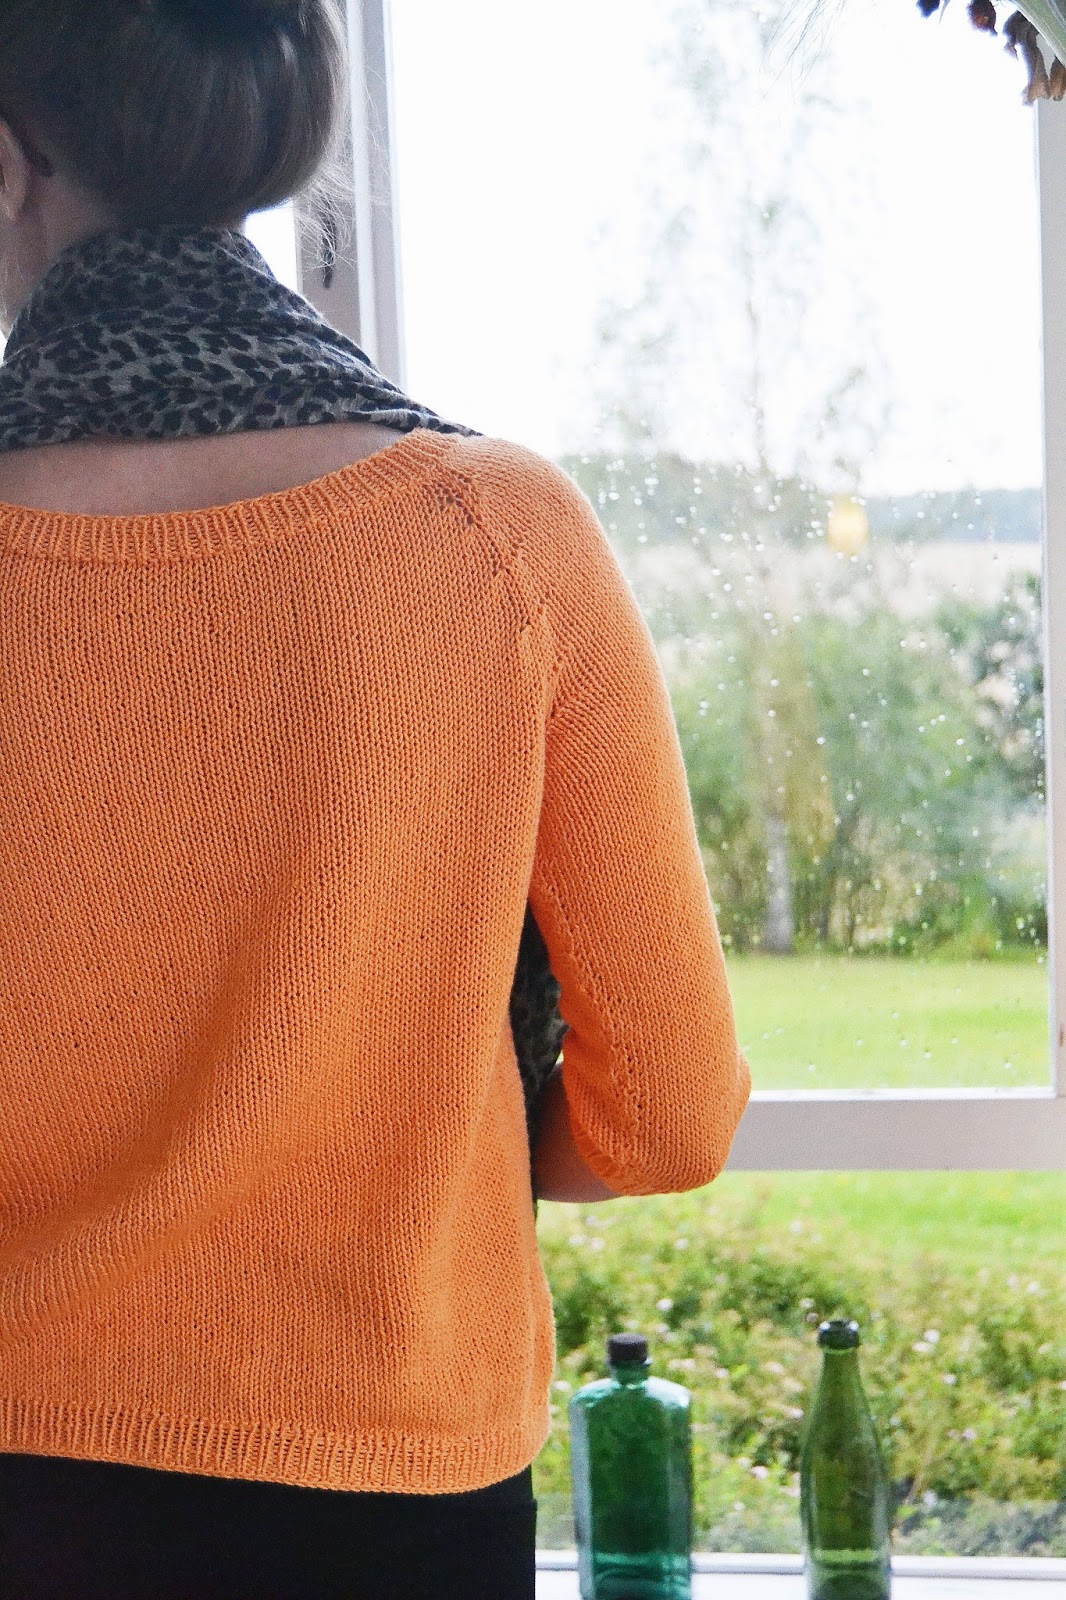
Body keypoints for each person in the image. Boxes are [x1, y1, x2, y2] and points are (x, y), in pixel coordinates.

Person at [0, 1, 751, 1596]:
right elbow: (671, 1116)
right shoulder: (496, 540)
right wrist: (399, 1143)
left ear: (8, 167)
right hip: (392, 1483)